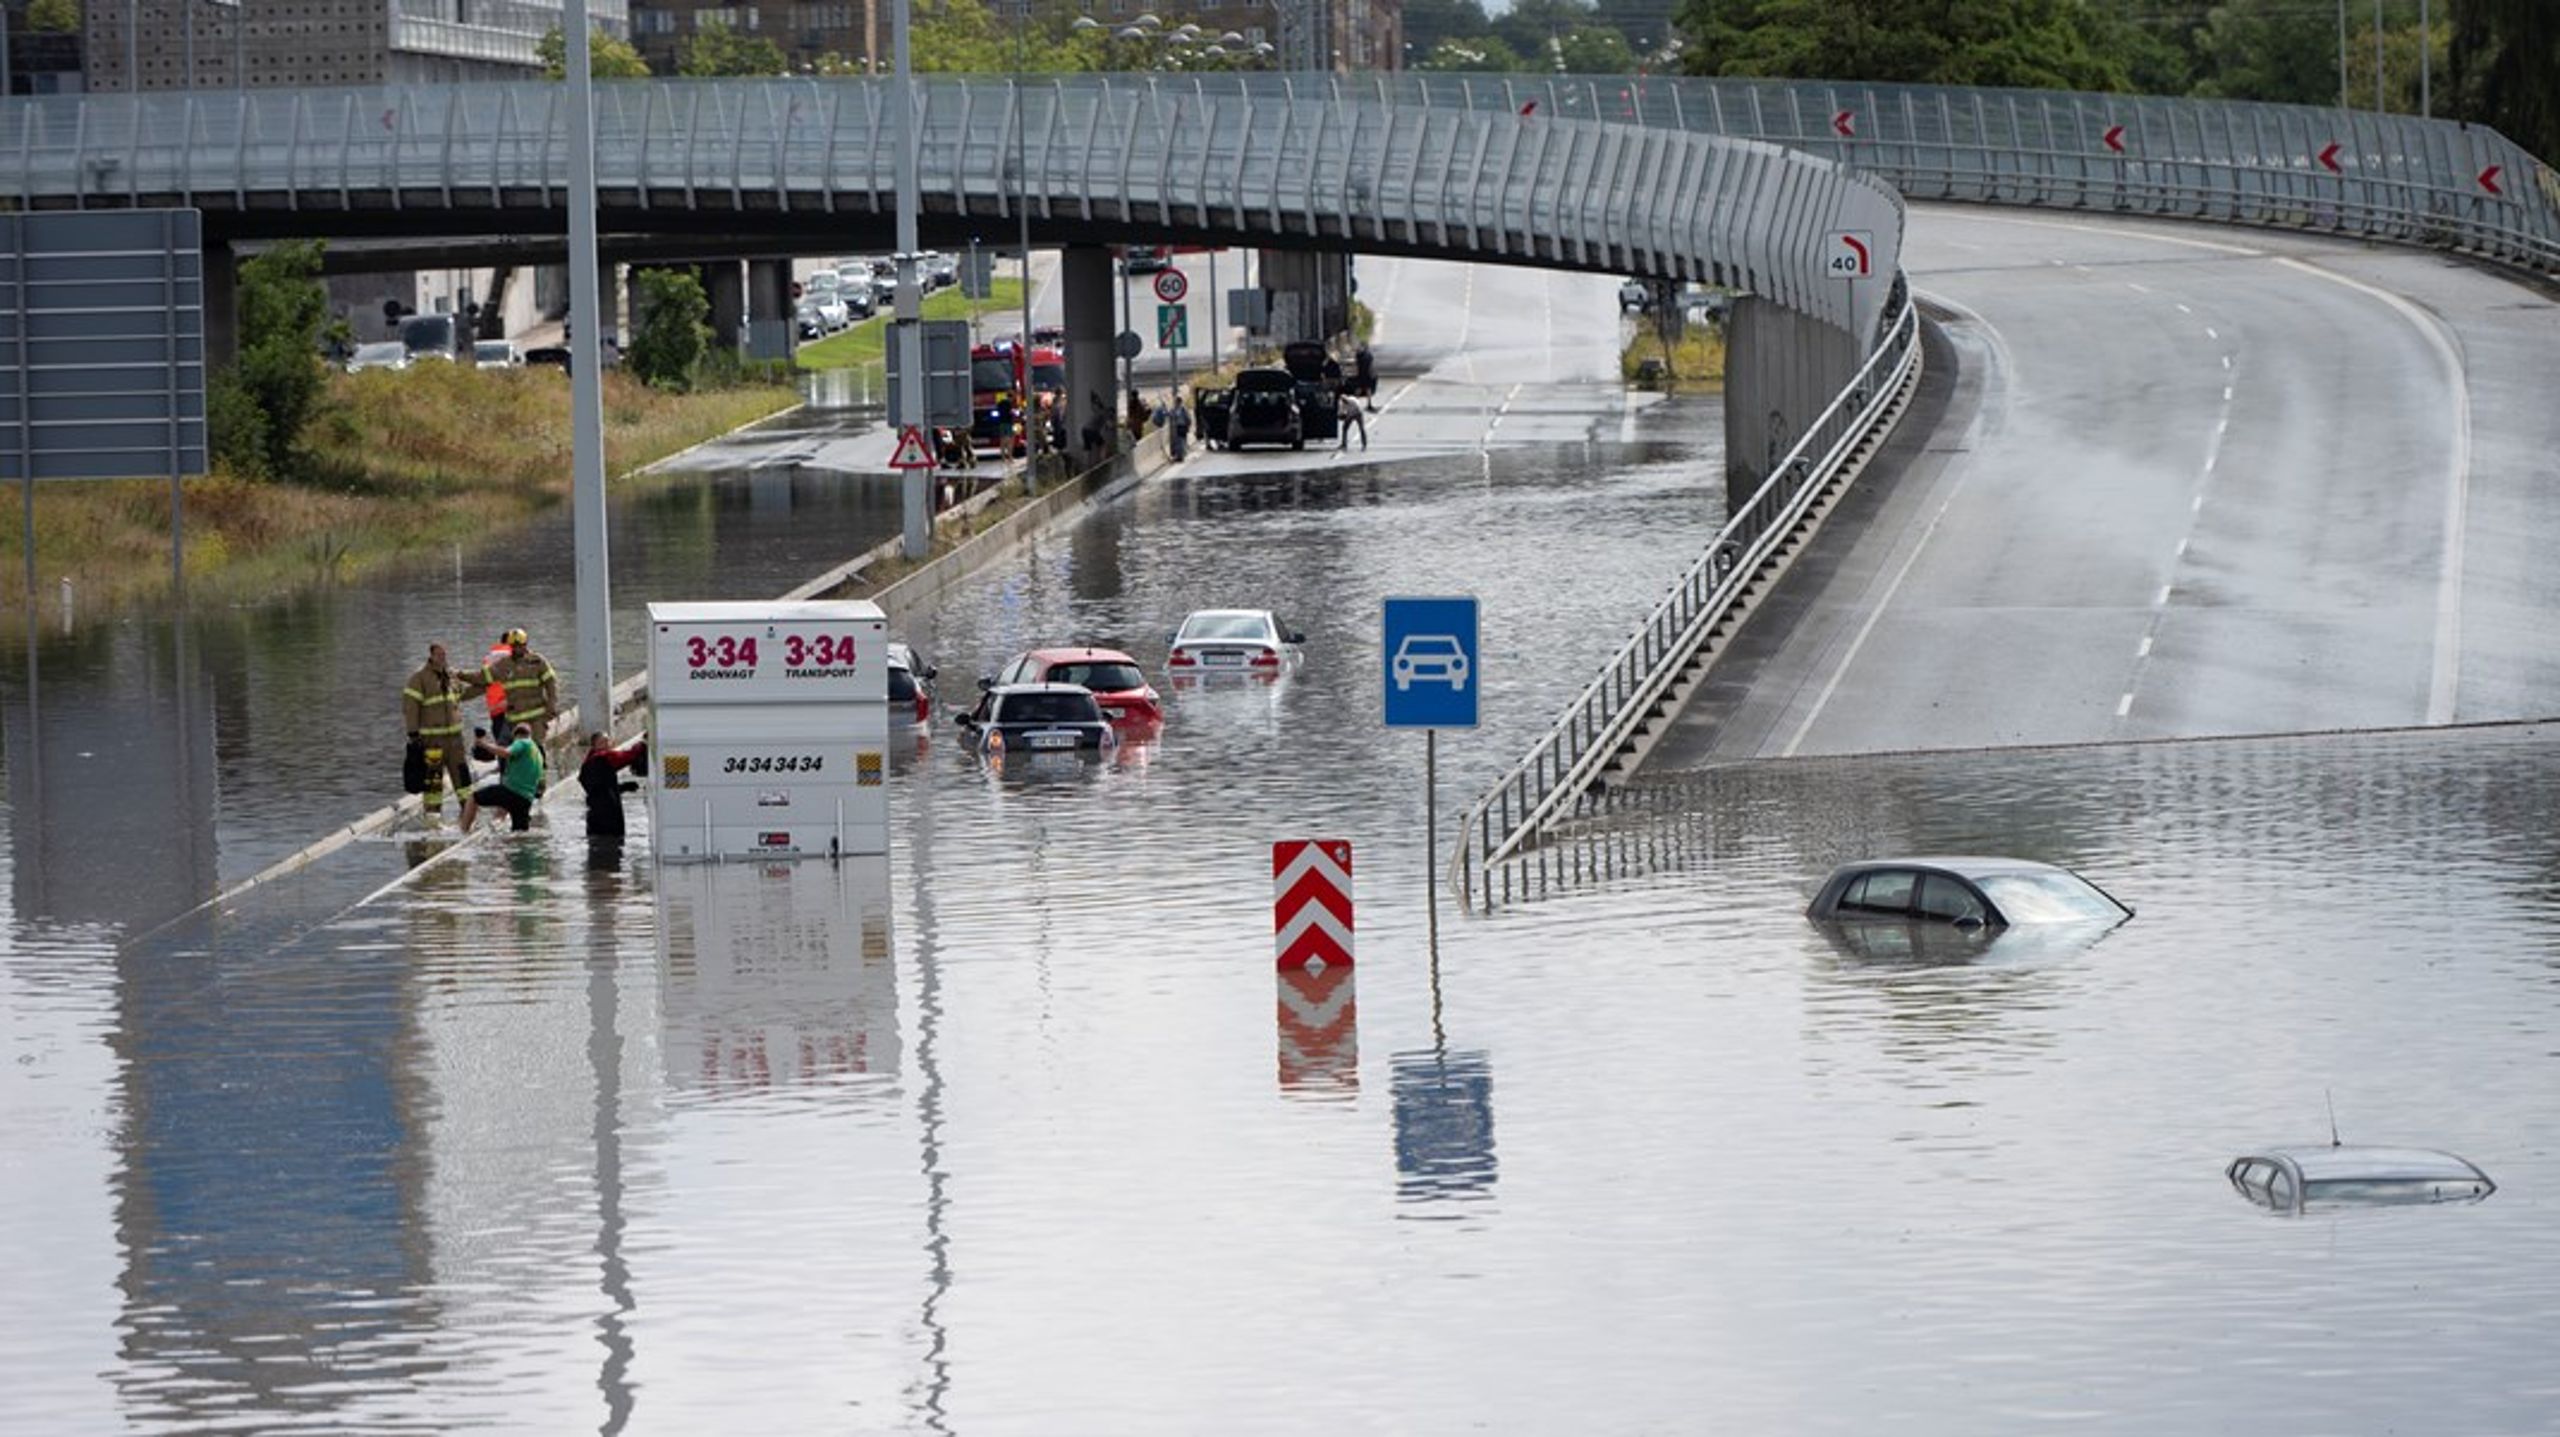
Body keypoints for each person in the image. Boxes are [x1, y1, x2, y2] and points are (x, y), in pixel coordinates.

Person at [400, 642, 472, 825]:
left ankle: (468, 815)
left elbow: (463, 694)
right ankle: (433, 820)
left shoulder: (450, 677)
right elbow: (410, 707)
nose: (442, 658)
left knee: (463, 778)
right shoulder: (419, 678)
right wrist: (413, 733)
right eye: (439, 654)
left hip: (455, 741)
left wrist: (488, 685)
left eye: (444, 654)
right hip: (433, 742)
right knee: (433, 781)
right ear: (431, 656)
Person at [477, 628, 561, 747]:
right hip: (511, 710)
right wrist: (550, 709)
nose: (517, 649)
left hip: (500, 711)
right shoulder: (526, 660)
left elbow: (481, 679)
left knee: (507, 746)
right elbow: (551, 684)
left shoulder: (490, 658)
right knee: (531, 748)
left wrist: (460, 676)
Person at [460, 722, 544, 834]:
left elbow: (505, 752)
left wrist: (483, 744)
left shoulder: (522, 742)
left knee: (473, 798)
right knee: (520, 833)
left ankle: (464, 832)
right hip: (526, 799)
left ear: (515, 736)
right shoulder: (535, 752)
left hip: (512, 792)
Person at [579, 732, 649, 842]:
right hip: (609, 818)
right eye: (603, 742)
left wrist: (622, 788)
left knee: (596, 844)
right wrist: (643, 743)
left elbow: (600, 789)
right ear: (595, 745)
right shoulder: (603, 757)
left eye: (607, 741)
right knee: (613, 844)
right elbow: (629, 756)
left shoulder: (588, 763)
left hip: (594, 817)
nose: (607, 745)